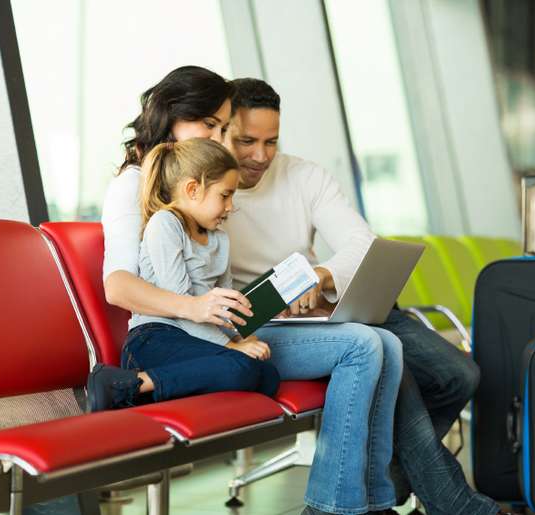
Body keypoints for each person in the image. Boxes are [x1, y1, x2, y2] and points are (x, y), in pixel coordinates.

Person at [101, 66, 404, 515]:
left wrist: (295, 290)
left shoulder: (210, 198)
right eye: (212, 126)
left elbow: (222, 280)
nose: (223, 139)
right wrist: (200, 308)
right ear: (173, 119)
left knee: (389, 344)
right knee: (363, 346)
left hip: (231, 321)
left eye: (225, 129)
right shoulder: (136, 186)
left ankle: (374, 504)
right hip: (182, 331)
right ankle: (334, 507)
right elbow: (118, 285)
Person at [223, 78, 501, 515]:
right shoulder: (210, 191)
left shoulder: (304, 175)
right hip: (276, 324)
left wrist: (323, 274)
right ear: (222, 131)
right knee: (391, 362)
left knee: (457, 375)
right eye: (247, 141)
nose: (260, 155)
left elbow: (361, 243)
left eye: (271, 141)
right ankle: (456, 506)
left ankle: (384, 486)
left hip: (332, 303)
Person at [87, 138, 280, 410]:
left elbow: (225, 311)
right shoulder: (165, 224)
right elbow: (184, 309)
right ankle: (128, 383)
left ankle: (143, 391)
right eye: (224, 195)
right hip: (155, 338)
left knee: (268, 375)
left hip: (194, 339)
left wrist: (241, 337)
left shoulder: (220, 240)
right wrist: (232, 348)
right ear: (193, 189)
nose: (230, 206)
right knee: (240, 366)